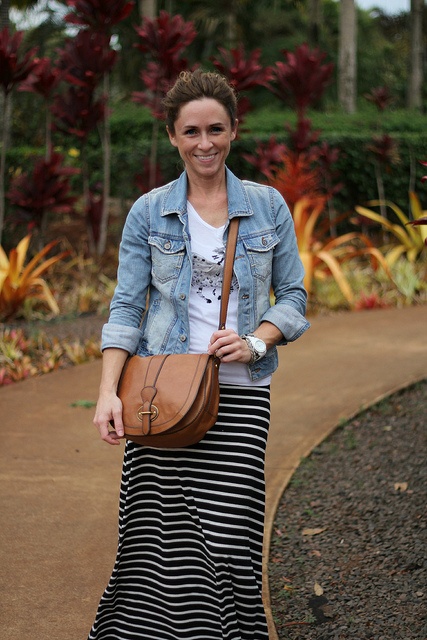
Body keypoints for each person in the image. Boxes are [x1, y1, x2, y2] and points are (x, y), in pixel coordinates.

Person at [89, 69, 309, 640]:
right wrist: (108, 392)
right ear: (173, 137)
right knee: (154, 544)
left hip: (240, 398)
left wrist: (257, 340)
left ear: (234, 130)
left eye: (216, 129)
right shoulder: (149, 212)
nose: (204, 143)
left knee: (231, 542)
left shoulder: (267, 207)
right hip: (162, 400)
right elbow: (126, 309)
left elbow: (294, 297)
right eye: (191, 132)